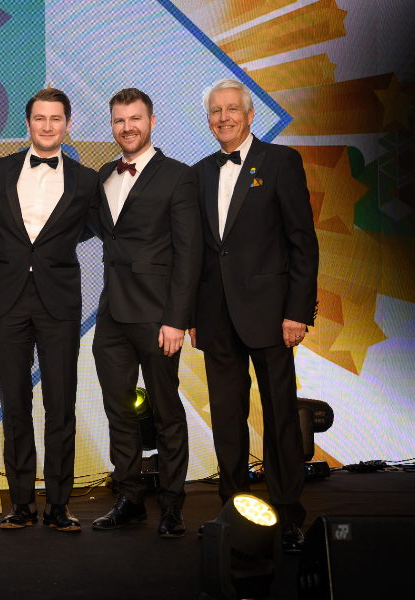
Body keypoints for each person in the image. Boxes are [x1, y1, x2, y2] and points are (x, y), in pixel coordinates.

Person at [190, 79, 319, 551]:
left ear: (249, 115)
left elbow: (303, 242)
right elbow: (200, 253)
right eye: (215, 112)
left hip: (272, 315)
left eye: (231, 110)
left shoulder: (282, 162)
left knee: (280, 414)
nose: (223, 118)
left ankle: (287, 514)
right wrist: (191, 314)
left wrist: (298, 311)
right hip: (217, 315)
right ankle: (235, 510)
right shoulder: (200, 172)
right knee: (226, 417)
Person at [0, 88, 100, 532]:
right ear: (27, 124)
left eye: (56, 119)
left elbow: (89, 229)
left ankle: (58, 505)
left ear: (67, 124)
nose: (47, 126)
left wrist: (51, 256)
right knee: (14, 405)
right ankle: (20, 504)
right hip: (7, 300)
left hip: (60, 302)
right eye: (39, 118)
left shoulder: (87, 180)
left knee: (61, 405)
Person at [89, 88, 201, 537]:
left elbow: (189, 253)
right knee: (119, 411)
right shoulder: (103, 176)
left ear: (152, 121)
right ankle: (130, 497)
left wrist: (177, 318)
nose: (127, 127)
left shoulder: (178, 176)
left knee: (167, 412)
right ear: (112, 125)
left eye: (135, 118)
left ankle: (172, 505)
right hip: (112, 315)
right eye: (119, 120)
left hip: (158, 318)